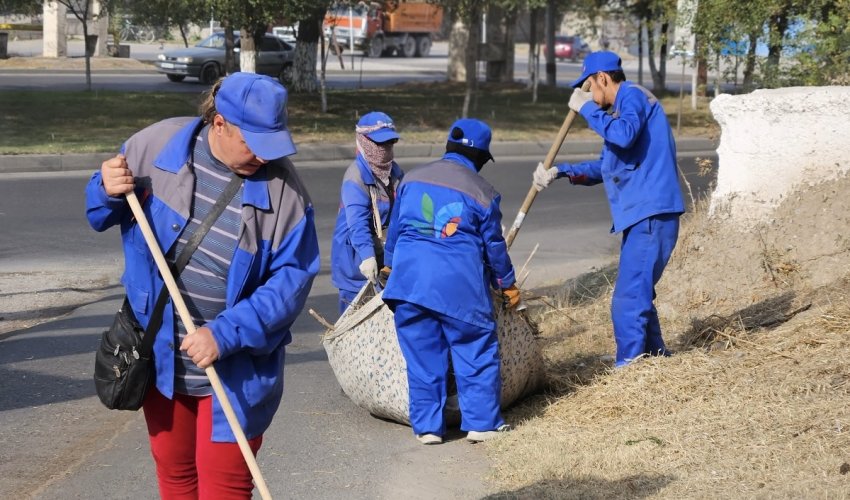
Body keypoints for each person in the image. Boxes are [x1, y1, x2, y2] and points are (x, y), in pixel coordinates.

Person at [85, 72, 320, 498]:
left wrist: (223, 334)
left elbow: (290, 285)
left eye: (273, 145)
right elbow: (100, 213)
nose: (264, 158)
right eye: (253, 144)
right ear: (219, 124)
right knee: (175, 475)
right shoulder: (154, 147)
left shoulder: (287, 196)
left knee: (226, 487)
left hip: (237, 367)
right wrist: (106, 189)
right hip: (159, 356)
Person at [531, 51, 685, 368]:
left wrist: (586, 108)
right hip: (645, 214)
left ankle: (629, 366)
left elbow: (624, 137)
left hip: (651, 214)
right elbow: (607, 166)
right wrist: (561, 171)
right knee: (638, 290)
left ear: (602, 78)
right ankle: (656, 358)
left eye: (589, 86)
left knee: (629, 297)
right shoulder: (621, 111)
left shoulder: (632, 98)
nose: (589, 94)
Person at [381, 118, 521, 445]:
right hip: (460, 291)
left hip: (409, 286)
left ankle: (428, 428)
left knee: (422, 358)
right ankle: (481, 424)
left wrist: (390, 266)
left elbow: (396, 232)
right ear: (480, 158)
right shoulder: (484, 193)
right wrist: (507, 284)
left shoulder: (411, 180)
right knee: (474, 351)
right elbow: (494, 249)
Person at [330, 111, 404, 313]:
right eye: (379, 144)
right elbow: (357, 223)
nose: (384, 150)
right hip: (356, 260)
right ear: (363, 141)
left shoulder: (395, 172)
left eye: (389, 144)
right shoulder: (356, 176)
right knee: (354, 322)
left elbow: (402, 215)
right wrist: (367, 256)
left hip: (385, 259)